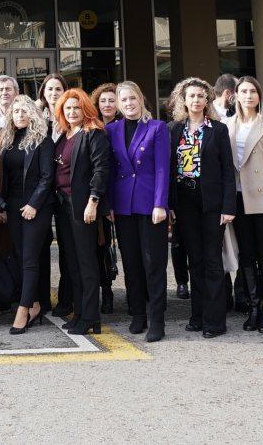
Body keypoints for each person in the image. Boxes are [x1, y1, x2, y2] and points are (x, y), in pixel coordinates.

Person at [165, 78, 235, 338]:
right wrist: (170, 204)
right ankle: (197, 315)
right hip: (185, 202)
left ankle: (215, 321)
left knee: (212, 261)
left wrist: (228, 206)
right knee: (194, 260)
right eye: (191, 96)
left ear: (207, 100)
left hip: (212, 203)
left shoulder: (217, 130)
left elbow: (228, 171)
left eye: (200, 96)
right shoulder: (173, 129)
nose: (196, 100)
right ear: (184, 100)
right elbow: (169, 170)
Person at [107, 81, 170, 341]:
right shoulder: (111, 129)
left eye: (133, 98)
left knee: (153, 264)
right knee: (131, 262)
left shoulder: (157, 127)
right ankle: (137, 315)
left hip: (149, 204)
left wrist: (160, 203)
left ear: (141, 99)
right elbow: (110, 170)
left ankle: (157, 319)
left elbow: (162, 168)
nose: (129, 104)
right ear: (119, 105)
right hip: (123, 205)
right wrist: (110, 204)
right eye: (124, 100)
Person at [225, 76, 263, 334]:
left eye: (253, 91)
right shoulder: (227, 125)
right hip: (237, 198)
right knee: (246, 255)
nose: (248, 96)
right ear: (235, 95)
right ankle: (253, 306)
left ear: (259, 95)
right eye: (243, 91)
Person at [52, 89, 111, 336]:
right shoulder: (65, 135)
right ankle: (79, 313)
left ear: (84, 108)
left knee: (86, 263)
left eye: (76, 107)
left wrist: (93, 201)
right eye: (68, 109)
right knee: (72, 262)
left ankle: (90, 317)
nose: (72, 112)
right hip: (63, 206)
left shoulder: (93, 133)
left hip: (83, 206)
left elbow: (101, 170)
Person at [0, 96, 54, 334]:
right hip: (12, 206)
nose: (20, 114)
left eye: (24, 111)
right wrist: (1, 205)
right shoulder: (7, 141)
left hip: (35, 207)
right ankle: (36, 303)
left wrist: (33, 204)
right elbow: (3, 178)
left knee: (30, 260)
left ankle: (24, 308)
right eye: (16, 111)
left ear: (33, 114)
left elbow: (47, 177)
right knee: (21, 258)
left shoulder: (42, 140)